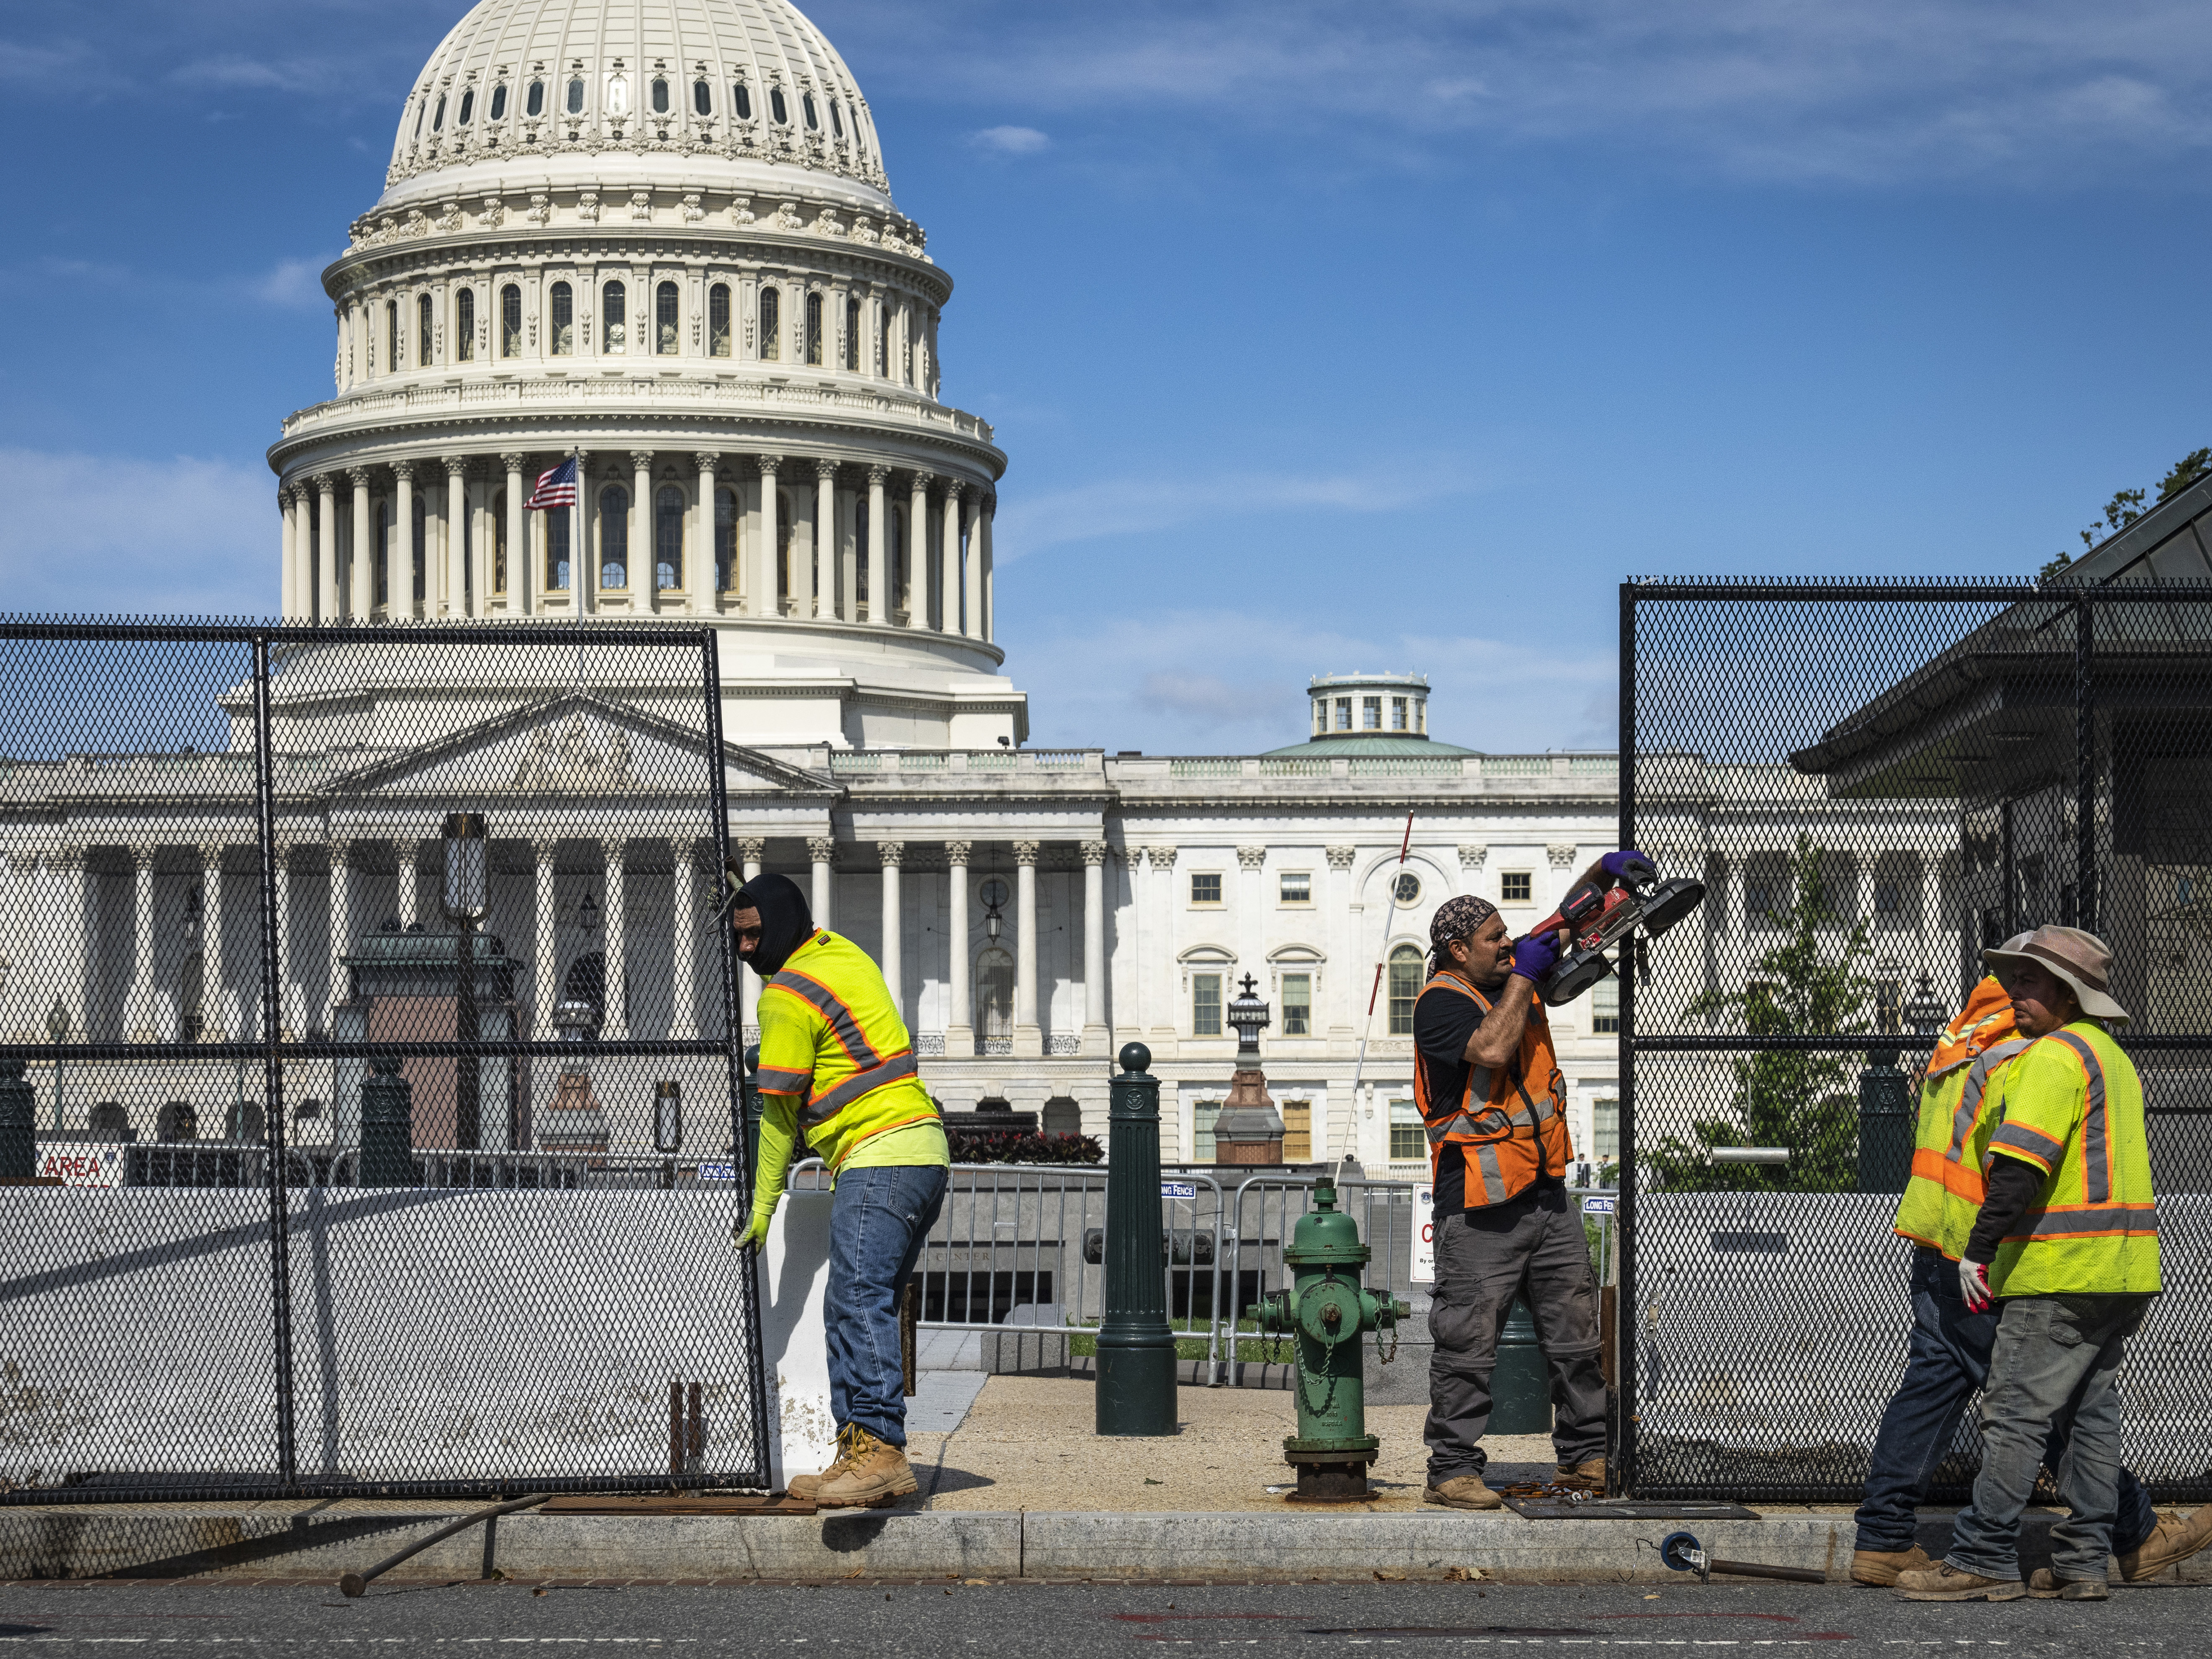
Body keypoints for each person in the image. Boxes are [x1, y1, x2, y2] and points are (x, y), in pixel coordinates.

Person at [1852, 949, 2201, 1587]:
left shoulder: (1984, 1044)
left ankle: (1964, 1552)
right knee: (2081, 1412)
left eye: (2028, 977)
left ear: (2065, 992)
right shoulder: (2096, 1055)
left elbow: (2018, 1165)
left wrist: (1978, 1251)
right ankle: (2091, 1558)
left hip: (1999, 1253)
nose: (2016, 987)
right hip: (2097, 1261)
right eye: (2012, 977)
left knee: (2016, 1411)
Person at [1414, 852, 1632, 1510]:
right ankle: (1451, 1470)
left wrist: (1600, 876)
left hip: (1543, 1194)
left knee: (1575, 1337)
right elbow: (1490, 1050)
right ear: (1458, 950)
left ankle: (1586, 1459)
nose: (1507, 943)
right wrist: (1525, 979)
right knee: (1468, 1344)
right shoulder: (1441, 1002)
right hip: (1479, 1205)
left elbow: (1558, 925)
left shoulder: (1509, 968)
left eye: (1505, 933)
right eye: (1492, 937)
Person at [731, 870, 949, 1509]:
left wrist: (761, 1207)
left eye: (752, 936)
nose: (744, 950)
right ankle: (857, 1449)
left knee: (856, 1299)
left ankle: (879, 1448)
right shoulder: (840, 952)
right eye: (736, 938)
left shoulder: (785, 998)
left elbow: (776, 1121)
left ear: (778, 928)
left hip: (879, 1157)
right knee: (856, 1303)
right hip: (923, 1156)